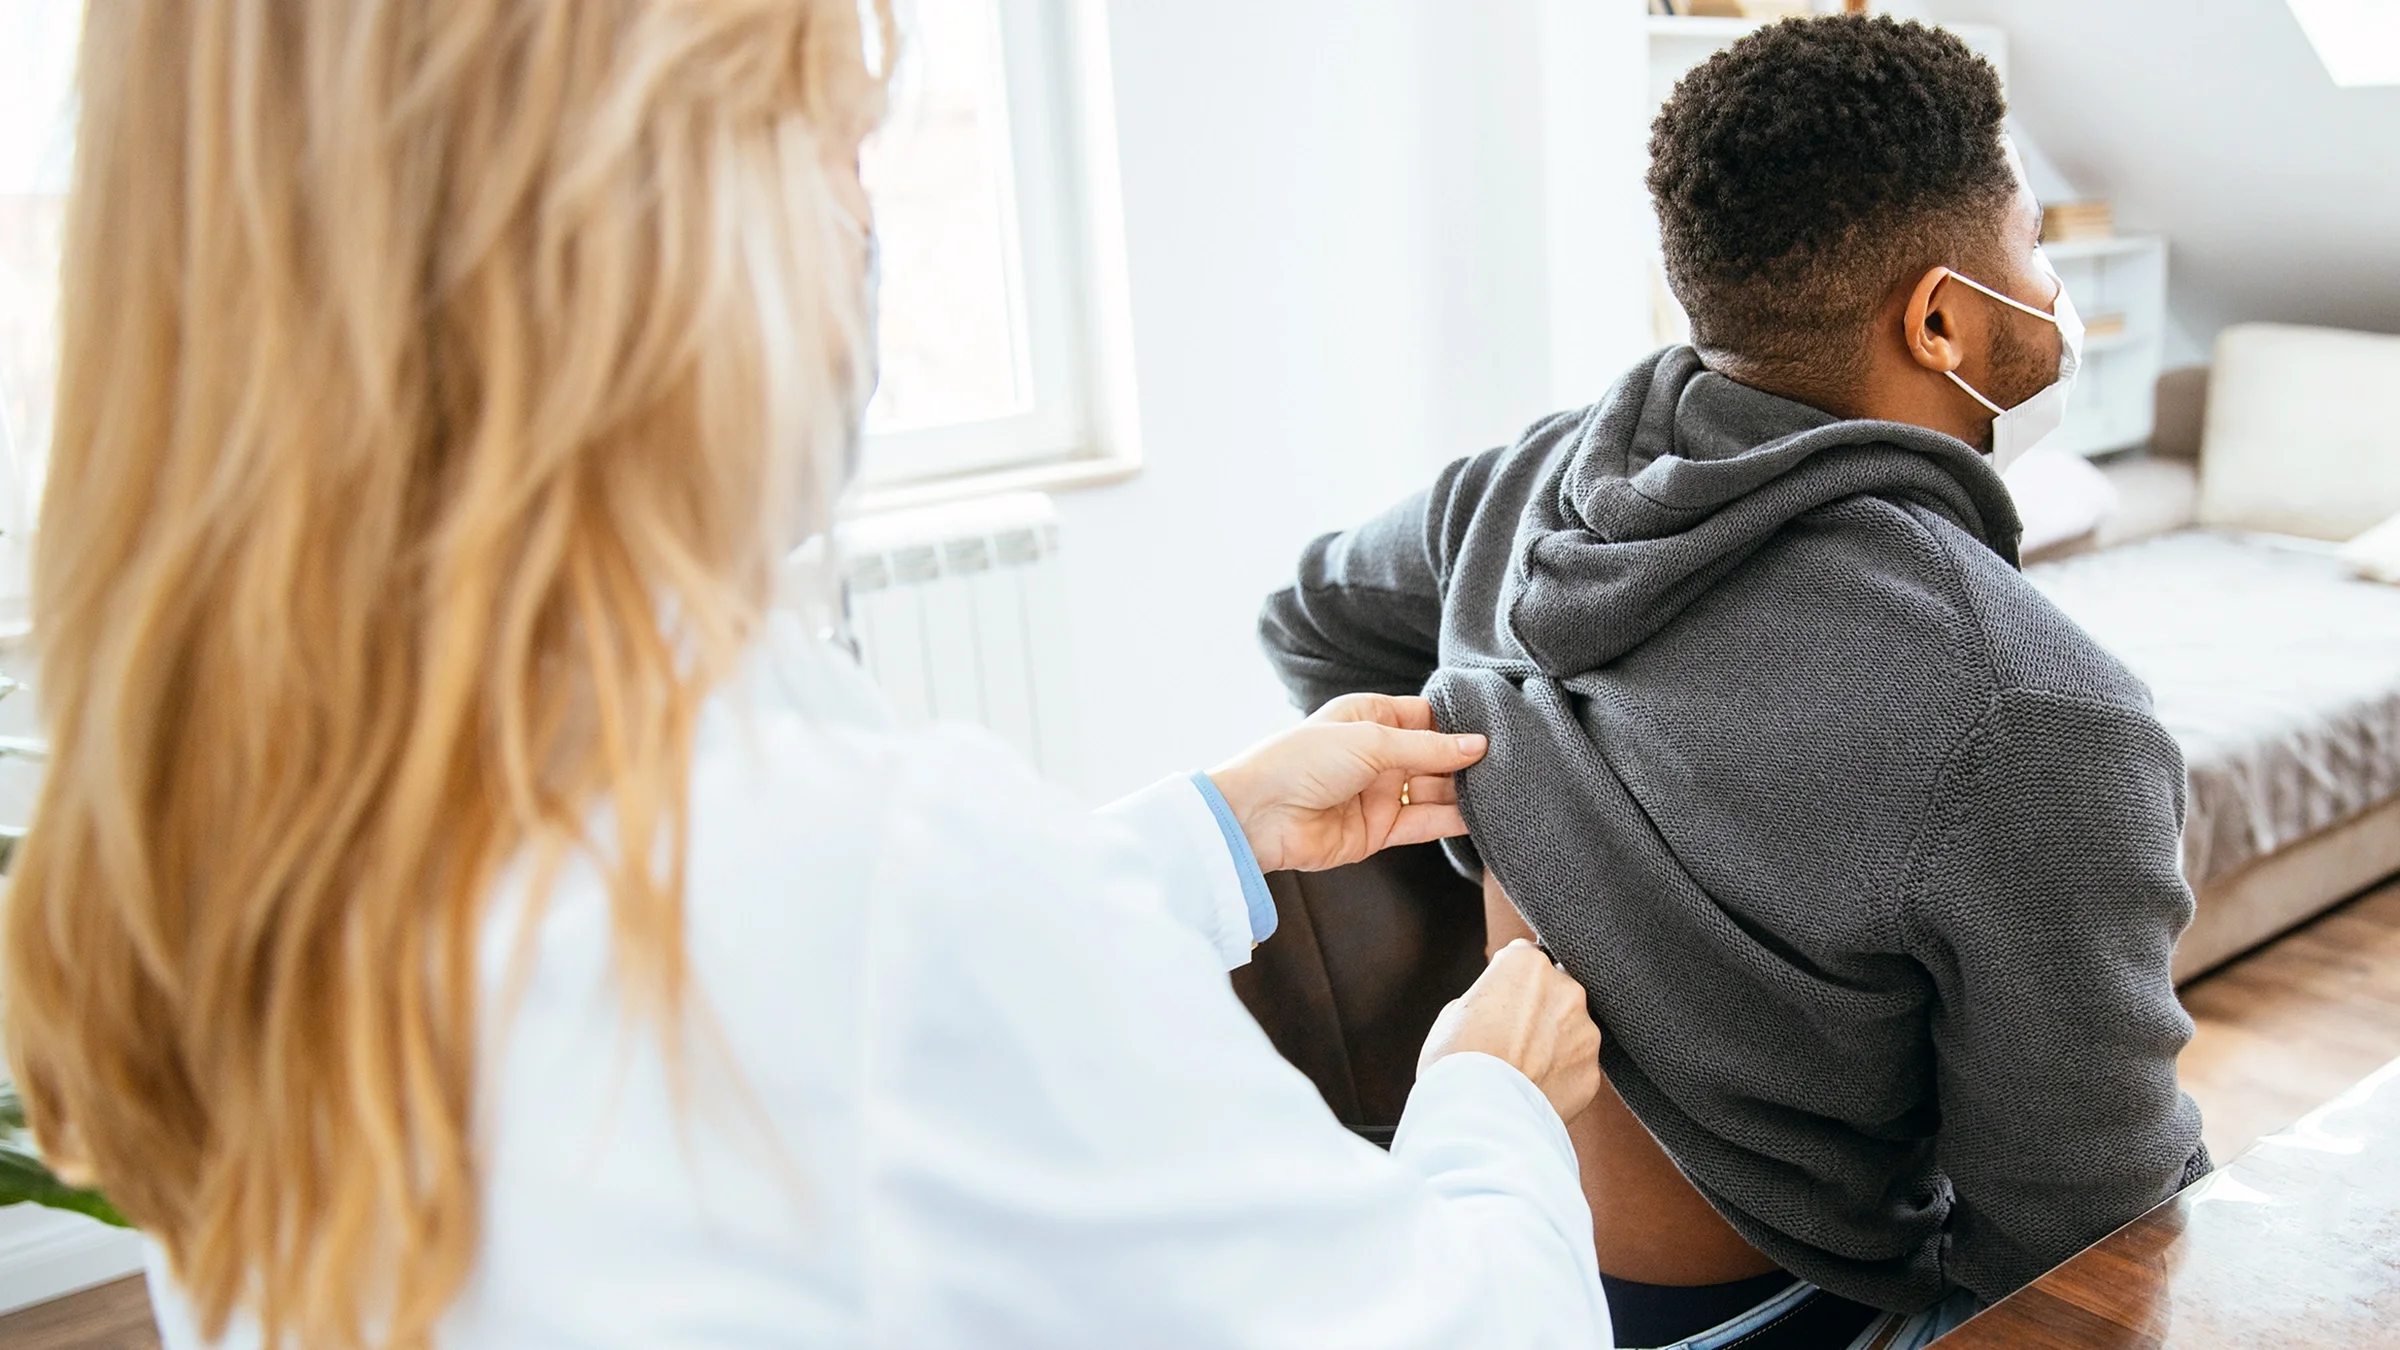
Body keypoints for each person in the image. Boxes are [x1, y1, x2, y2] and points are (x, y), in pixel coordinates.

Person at [0, 3, 1619, 1347]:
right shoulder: (859, 883)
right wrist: (1490, 1111)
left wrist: (1215, 826)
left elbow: (817, 1027)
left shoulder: (218, 797)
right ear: (646, 220)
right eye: (840, 143)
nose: (865, 224)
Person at [1259, 16, 2208, 1350]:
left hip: (1486, 1233)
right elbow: (2083, 1238)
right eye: (2034, 247)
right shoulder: (2036, 717)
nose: (2052, 290)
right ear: (1939, 318)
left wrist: (1513, 834)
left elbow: (1309, 615)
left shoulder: (1525, 485)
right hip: (1767, 1317)